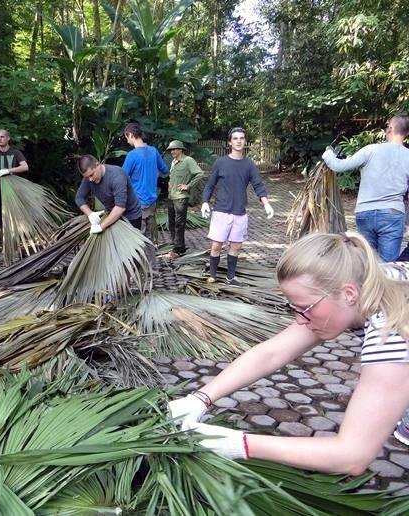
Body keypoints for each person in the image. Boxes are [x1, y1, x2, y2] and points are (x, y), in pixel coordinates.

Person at [169, 232, 409, 474]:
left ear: (349, 294)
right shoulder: (369, 278)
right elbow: (272, 353)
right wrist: (199, 399)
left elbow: (351, 456)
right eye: (295, 308)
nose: (300, 320)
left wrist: (238, 444)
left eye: (306, 308)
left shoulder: (390, 335)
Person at [322, 114, 409, 262]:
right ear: (407, 134)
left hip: (365, 213)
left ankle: (366, 285)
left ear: (389, 129)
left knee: (368, 262)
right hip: (393, 214)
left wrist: (328, 154)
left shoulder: (371, 150)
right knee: (388, 265)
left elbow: (338, 166)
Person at [201, 127, 274, 286]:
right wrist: (205, 201)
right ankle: (212, 275)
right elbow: (210, 185)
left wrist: (266, 204)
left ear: (245, 141)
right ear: (230, 142)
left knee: (236, 245)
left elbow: (258, 185)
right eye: (235, 138)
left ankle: (230, 278)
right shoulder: (221, 162)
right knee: (216, 245)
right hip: (221, 210)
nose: (239, 141)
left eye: (241, 138)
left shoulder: (249, 164)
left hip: (240, 211)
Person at [122, 122, 169, 241]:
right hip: (152, 200)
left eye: (127, 137)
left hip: (137, 203)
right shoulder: (154, 151)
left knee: (138, 238)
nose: (127, 141)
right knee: (149, 237)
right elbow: (164, 169)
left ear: (131, 135)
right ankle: (150, 258)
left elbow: (122, 177)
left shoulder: (132, 155)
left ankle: (141, 260)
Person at [75, 155, 143, 233]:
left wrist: (101, 227)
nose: (90, 179)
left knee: (130, 244)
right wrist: (90, 214)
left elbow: (120, 207)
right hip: (112, 215)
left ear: (98, 165)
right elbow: (79, 198)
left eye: (91, 175)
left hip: (131, 216)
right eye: (87, 177)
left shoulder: (117, 176)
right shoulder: (89, 179)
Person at [162, 140, 203, 259]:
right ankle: (179, 245)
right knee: (172, 223)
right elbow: (172, 176)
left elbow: (199, 174)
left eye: (174, 149)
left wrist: (188, 186)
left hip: (181, 197)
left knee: (179, 224)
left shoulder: (188, 161)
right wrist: (170, 184)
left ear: (181, 150)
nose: (172, 152)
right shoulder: (174, 162)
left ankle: (178, 249)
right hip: (171, 196)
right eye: (171, 150)